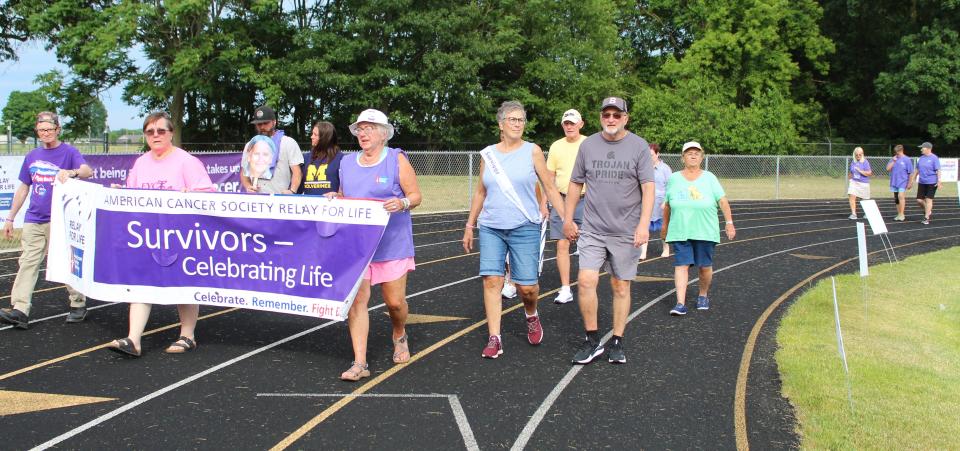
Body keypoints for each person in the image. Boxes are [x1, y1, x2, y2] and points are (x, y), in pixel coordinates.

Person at [106, 112, 215, 357]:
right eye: (150, 132)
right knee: (140, 284)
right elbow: (132, 193)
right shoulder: (141, 162)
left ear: (171, 133)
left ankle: (188, 335)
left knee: (182, 284)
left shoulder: (186, 161)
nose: (155, 135)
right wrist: (119, 193)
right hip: (147, 236)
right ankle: (133, 339)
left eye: (161, 131)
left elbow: (207, 191)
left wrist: (192, 194)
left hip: (179, 235)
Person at [462, 100, 565, 359]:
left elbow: (550, 187)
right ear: (501, 124)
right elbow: (480, 192)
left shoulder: (533, 151)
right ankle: (494, 337)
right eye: (513, 119)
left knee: (527, 287)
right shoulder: (488, 154)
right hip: (491, 226)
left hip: (524, 226)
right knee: (492, 281)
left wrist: (566, 219)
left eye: (521, 119)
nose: (518, 123)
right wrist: (469, 224)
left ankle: (531, 314)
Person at [562, 96, 654, 365]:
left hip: (625, 230)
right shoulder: (588, 145)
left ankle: (617, 340)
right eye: (606, 115)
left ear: (625, 118)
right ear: (601, 117)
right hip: (593, 228)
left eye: (616, 115)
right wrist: (568, 219)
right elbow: (576, 183)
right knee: (587, 281)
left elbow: (648, 188)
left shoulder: (638, 146)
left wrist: (643, 225)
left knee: (620, 286)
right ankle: (592, 340)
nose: (611, 119)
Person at [333, 109, 422, 381]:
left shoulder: (396, 159)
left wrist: (402, 203)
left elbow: (415, 195)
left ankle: (399, 333)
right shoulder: (347, 163)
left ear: (384, 134)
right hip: (357, 246)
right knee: (357, 301)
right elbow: (344, 195)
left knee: (394, 303)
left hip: (391, 244)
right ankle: (360, 362)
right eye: (360, 128)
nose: (363, 133)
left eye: (370, 128)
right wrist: (334, 197)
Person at [0, 112, 93, 329]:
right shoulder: (32, 156)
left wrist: (72, 172)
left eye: (49, 129)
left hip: (59, 219)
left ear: (57, 129)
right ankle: (20, 309)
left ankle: (78, 302)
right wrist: (10, 218)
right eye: (41, 130)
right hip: (33, 219)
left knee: (64, 261)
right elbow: (24, 187)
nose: (45, 133)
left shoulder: (69, 152)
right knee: (28, 262)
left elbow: (88, 171)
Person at [662, 141, 735, 316]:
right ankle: (680, 303)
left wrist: (729, 223)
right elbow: (667, 205)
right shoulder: (674, 179)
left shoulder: (710, 177)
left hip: (705, 229)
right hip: (681, 229)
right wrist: (664, 226)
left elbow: (722, 201)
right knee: (681, 265)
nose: (693, 155)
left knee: (704, 267)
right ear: (683, 158)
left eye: (696, 153)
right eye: (689, 153)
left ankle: (703, 295)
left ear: (701, 157)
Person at [546, 109, 586, 304]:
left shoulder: (589, 143)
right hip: (560, 200)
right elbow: (549, 178)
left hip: (586, 200)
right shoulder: (555, 147)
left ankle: (587, 284)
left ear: (581, 124)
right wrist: (544, 203)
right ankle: (565, 288)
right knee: (562, 244)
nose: (569, 126)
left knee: (588, 245)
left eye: (573, 123)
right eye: (566, 123)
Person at [241, 105, 304, 194]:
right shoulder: (250, 144)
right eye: (259, 124)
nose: (262, 126)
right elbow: (244, 172)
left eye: (265, 123)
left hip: (280, 199)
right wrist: (248, 186)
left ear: (274, 122)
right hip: (256, 199)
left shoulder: (287, 142)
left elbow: (297, 172)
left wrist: (292, 191)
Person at [639, 142, 672, 260]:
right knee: (644, 226)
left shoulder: (665, 169)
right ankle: (643, 252)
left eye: (651, 155)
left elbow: (670, 187)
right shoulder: (643, 168)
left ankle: (666, 248)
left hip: (661, 204)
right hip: (646, 203)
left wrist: (666, 202)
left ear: (658, 154)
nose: (649, 158)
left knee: (663, 228)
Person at [302, 121, 344, 195]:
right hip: (308, 205)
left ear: (324, 138)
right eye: (312, 134)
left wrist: (338, 194)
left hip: (331, 205)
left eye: (315, 135)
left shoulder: (341, 159)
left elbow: (346, 189)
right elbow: (298, 186)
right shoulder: (306, 158)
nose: (311, 137)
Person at [912, 141, 940, 225]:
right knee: (919, 200)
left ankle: (926, 217)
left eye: (922, 148)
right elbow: (917, 170)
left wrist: (939, 181)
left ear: (928, 149)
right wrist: (912, 179)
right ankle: (928, 210)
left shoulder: (934, 158)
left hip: (932, 182)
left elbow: (938, 170)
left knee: (928, 199)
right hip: (922, 182)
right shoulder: (921, 158)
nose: (921, 149)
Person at [886, 144, 913, 221]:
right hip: (894, 181)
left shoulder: (907, 160)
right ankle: (899, 214)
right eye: (896, 152)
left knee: (900, 196)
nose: (897, 154)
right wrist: (893, 161)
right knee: (896, 198)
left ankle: (902, 214)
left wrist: (910, 183)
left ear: (901, 151)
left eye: (898, 152)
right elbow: (888, 169)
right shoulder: (893, 159)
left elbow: (910, 172)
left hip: (903, 181)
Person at [846, 146, 872, 219]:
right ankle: (853, 214)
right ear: (854, 154)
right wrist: (850, 179)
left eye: (860, 154)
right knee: (852, 195)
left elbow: (869, 173)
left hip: (863, 183)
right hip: (854, 182)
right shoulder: (853, 162)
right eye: (856, 154)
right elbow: (851, 172)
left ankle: (867, 213)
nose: (858, 156)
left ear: (862, 154)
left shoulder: (865, 162)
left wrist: (860, 171)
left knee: (864, 199)